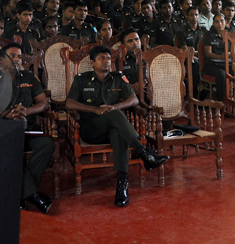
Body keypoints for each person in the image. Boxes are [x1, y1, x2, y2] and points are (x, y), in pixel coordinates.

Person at [65, 45, 169, 207]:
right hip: (91, 129)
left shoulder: (119, 78)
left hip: (114, 126)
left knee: (117, 131)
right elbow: (69, 103)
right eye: (102, 58)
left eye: (108, 58)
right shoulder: (81, 79)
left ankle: (122, 184)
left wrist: (113, 108)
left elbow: (134, 100)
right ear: (92, 62)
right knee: (115, 116)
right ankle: (144, 153)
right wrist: (95, 110)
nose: (106, 62)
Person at [0, 44, 54, 213]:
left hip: (28, 128)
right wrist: (6, 114)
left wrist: (26, 111)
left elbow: (44, 103)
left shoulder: (28, 77)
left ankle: (22, 194)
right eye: (12, 56)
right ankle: (33, 195)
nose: (16, 59)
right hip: (5, 131)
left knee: (47, 144)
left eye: (19, 57)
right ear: (1, 60)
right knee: (10, 150)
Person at [201, 14, 227, 101]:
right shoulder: (209, 35)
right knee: (222, 74)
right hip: (211, 65)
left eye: (222, 21)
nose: (220, 24)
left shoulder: (228, 35)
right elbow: (208, 54)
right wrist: (222, 57)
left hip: (225, 63)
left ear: (225, 22)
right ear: (213, 24)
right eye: (217, 21)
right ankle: (222, 102)